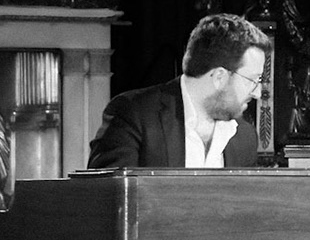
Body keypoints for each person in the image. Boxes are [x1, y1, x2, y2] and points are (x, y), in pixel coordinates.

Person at [88, 13, 270, 168]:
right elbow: (107, 198)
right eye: (253, 80)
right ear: (219, 77)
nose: (257, 93)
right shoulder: (133, 114)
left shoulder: (244, 136)